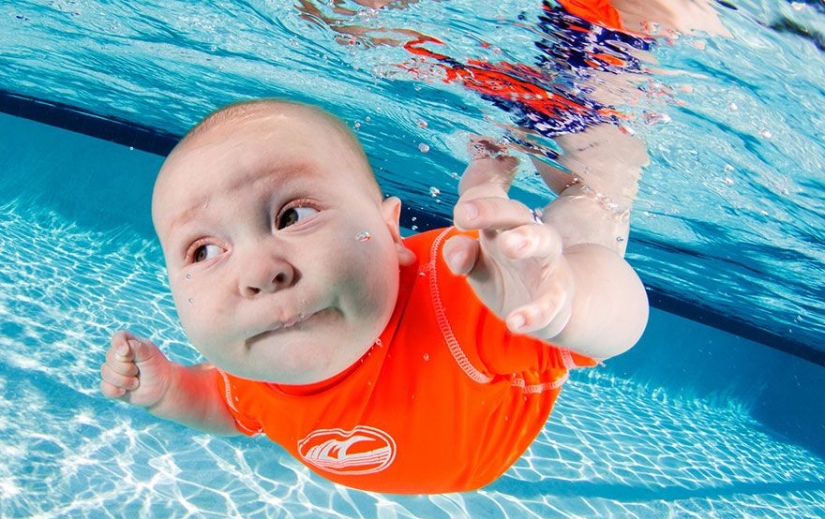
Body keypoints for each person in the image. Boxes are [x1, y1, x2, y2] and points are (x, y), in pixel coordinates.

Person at [99, 98, 648, 494]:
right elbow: (233, 407)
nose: (259, 273)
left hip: (514, 330)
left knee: (589, 209)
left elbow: (622, 326)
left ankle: (585, 128)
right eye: (202, 251)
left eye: (293, 215)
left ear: (391, 232)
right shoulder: (255, 358)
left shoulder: (465, 286)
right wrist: (170, 391)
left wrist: (572, 300)